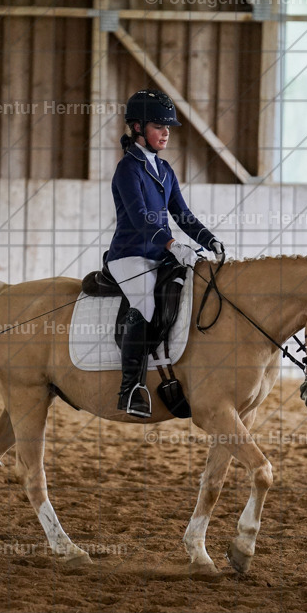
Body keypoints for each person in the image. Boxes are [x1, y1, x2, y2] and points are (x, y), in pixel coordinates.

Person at [107, 89, 226, 418]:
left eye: (167, 126)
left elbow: (182, 214)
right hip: (129, 255)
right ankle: (130, 389)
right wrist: (174, 245)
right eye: (159, 126)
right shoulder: (127, 170)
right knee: (144, 303)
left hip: (160, 255)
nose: (166, 132)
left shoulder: (164, 169)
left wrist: (208, 239)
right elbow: (141, 218)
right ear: (137, 128)